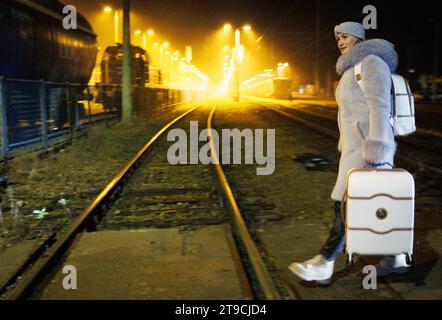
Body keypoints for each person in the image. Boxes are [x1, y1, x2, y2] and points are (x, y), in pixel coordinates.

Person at [288, 21, 410, 284]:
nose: (340, 41)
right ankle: (396, 256)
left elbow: (379, 106)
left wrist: (376, 149)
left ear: (357, 37)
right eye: (338, 38)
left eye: (345, 37)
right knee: (370, 204)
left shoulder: (371, 63)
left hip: (369, 150)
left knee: (347, 205)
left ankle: (325, 261)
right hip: (354, 149)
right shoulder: (350, 70)